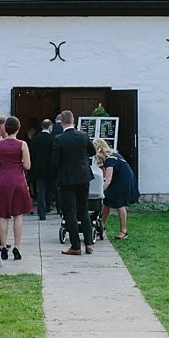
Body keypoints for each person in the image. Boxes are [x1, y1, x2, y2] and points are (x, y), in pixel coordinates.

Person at [51, 109, 96, 255]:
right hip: (83, 176)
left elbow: (55, 162)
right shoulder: (83, 136)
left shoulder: (59, 139)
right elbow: (93, 152)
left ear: (61, 123)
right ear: (73, 121)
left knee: (70, 212)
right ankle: (88, 244)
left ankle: (76, 246)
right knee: (84, 209)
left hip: (67, 179)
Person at [0, 116, 33, 260]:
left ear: (5, 128)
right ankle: (17, 247)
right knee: (17, 215)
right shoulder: (22, 144)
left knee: (3, 216)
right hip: (17, 180)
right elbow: (27, 166)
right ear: (18, 128)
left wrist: (4, 161)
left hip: (2, 180)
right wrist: (18, 161)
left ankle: (3, 246)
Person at [95, 138, 140, 240]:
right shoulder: (111, 157)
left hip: (123, 181)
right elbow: (106, 175)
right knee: (107, 202)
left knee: (120, 203)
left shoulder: (111, 159)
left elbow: (108, 179)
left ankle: (123, 231)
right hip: (118, 179)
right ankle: (101, 227)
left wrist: (99, 192)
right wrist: (102, 167)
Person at [28, 119, 55, 220]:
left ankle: (41, 213)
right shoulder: (53, 139)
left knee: (41, 191)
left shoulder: (35, 139)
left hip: (38, 168)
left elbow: (31, 154)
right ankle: (51, 207)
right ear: (50, 127)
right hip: (51, 168)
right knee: (52, 189)